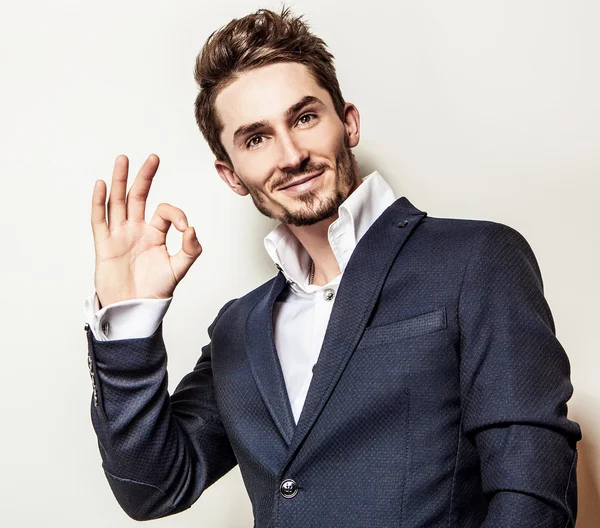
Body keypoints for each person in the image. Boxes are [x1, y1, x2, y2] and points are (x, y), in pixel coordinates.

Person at [84, 7, 581, 527]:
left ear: (348, 122)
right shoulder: (238, 328)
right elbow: (154, 488)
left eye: (304, 118)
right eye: (257, 138)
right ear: (231, 175)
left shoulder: (476, 259)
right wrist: (129, 321)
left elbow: (531, 485)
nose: (291, 154)